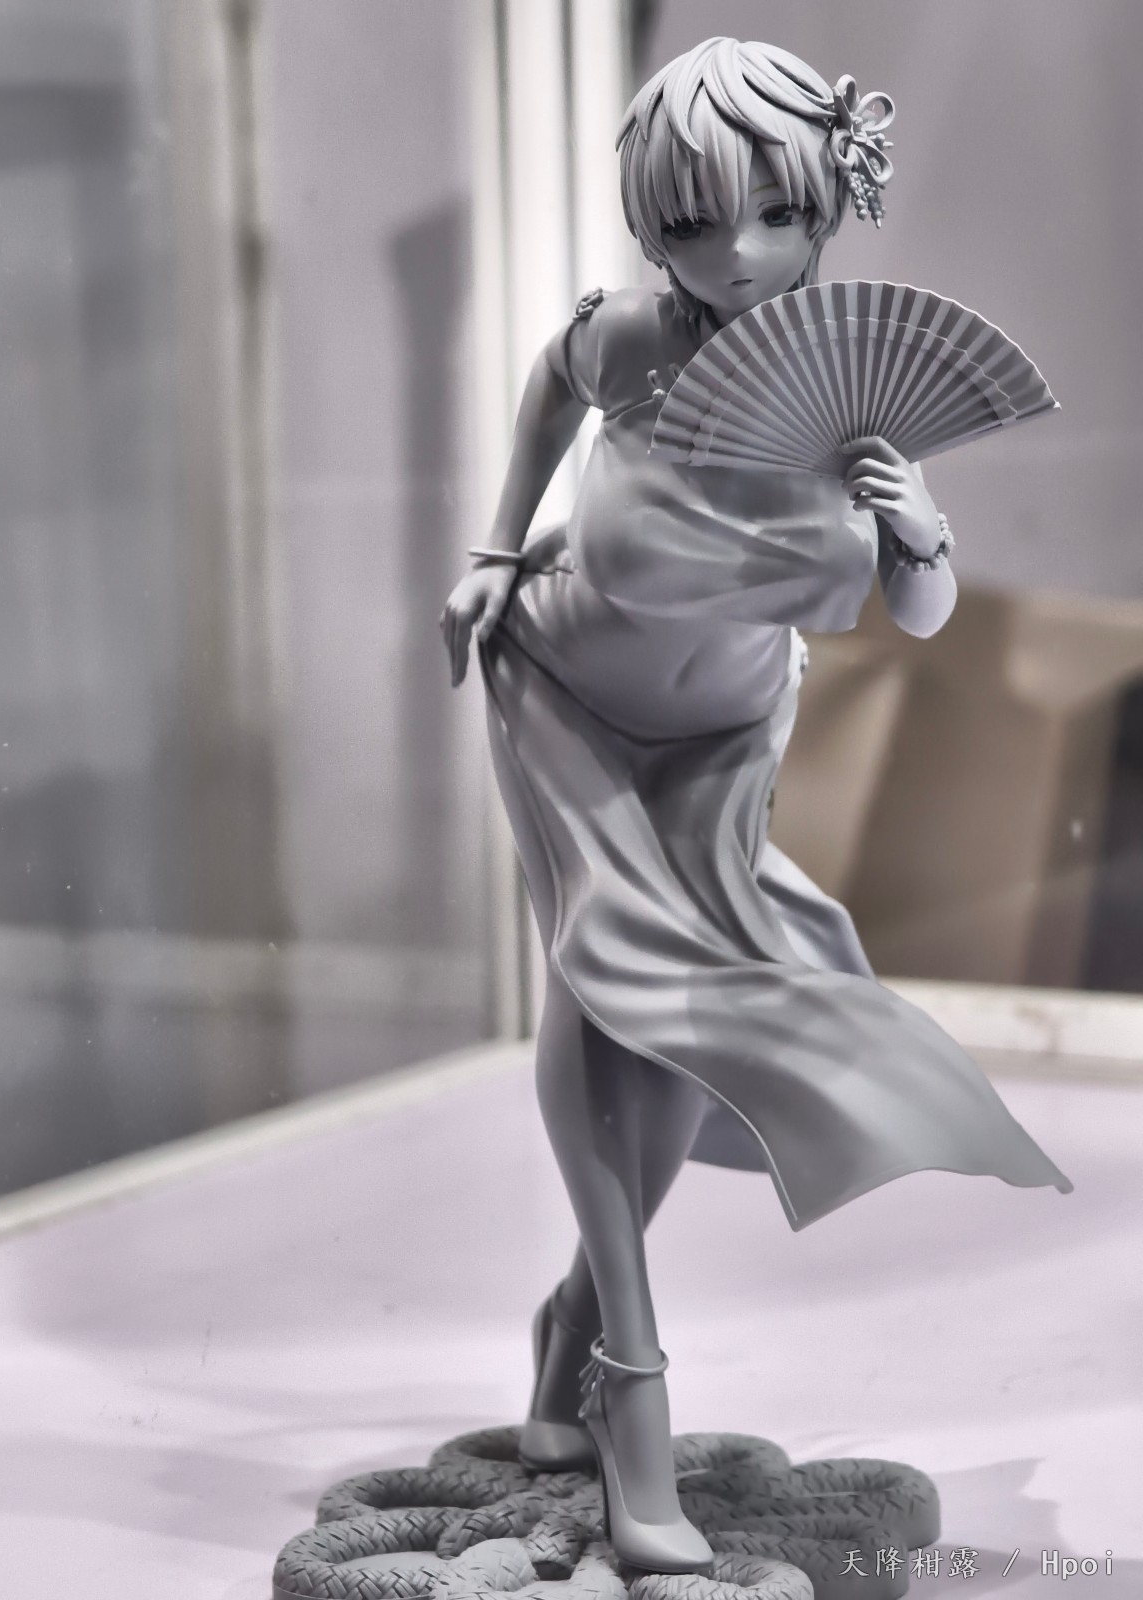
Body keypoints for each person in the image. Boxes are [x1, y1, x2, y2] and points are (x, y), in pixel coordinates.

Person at [439, 38, 1071, 1576]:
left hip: (723, 738)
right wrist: (497, 550)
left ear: (828, 207)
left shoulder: (854, 404)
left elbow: (918, 616)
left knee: (691, 1013)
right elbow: (546, 389)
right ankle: (629, 1373)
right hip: (566, 697)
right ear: (652, 227)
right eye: (692, 221)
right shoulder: (627, 342)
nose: (735, 253)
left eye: (775, 213)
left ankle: (575, 1317)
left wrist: (920, 535)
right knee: (606, 975)